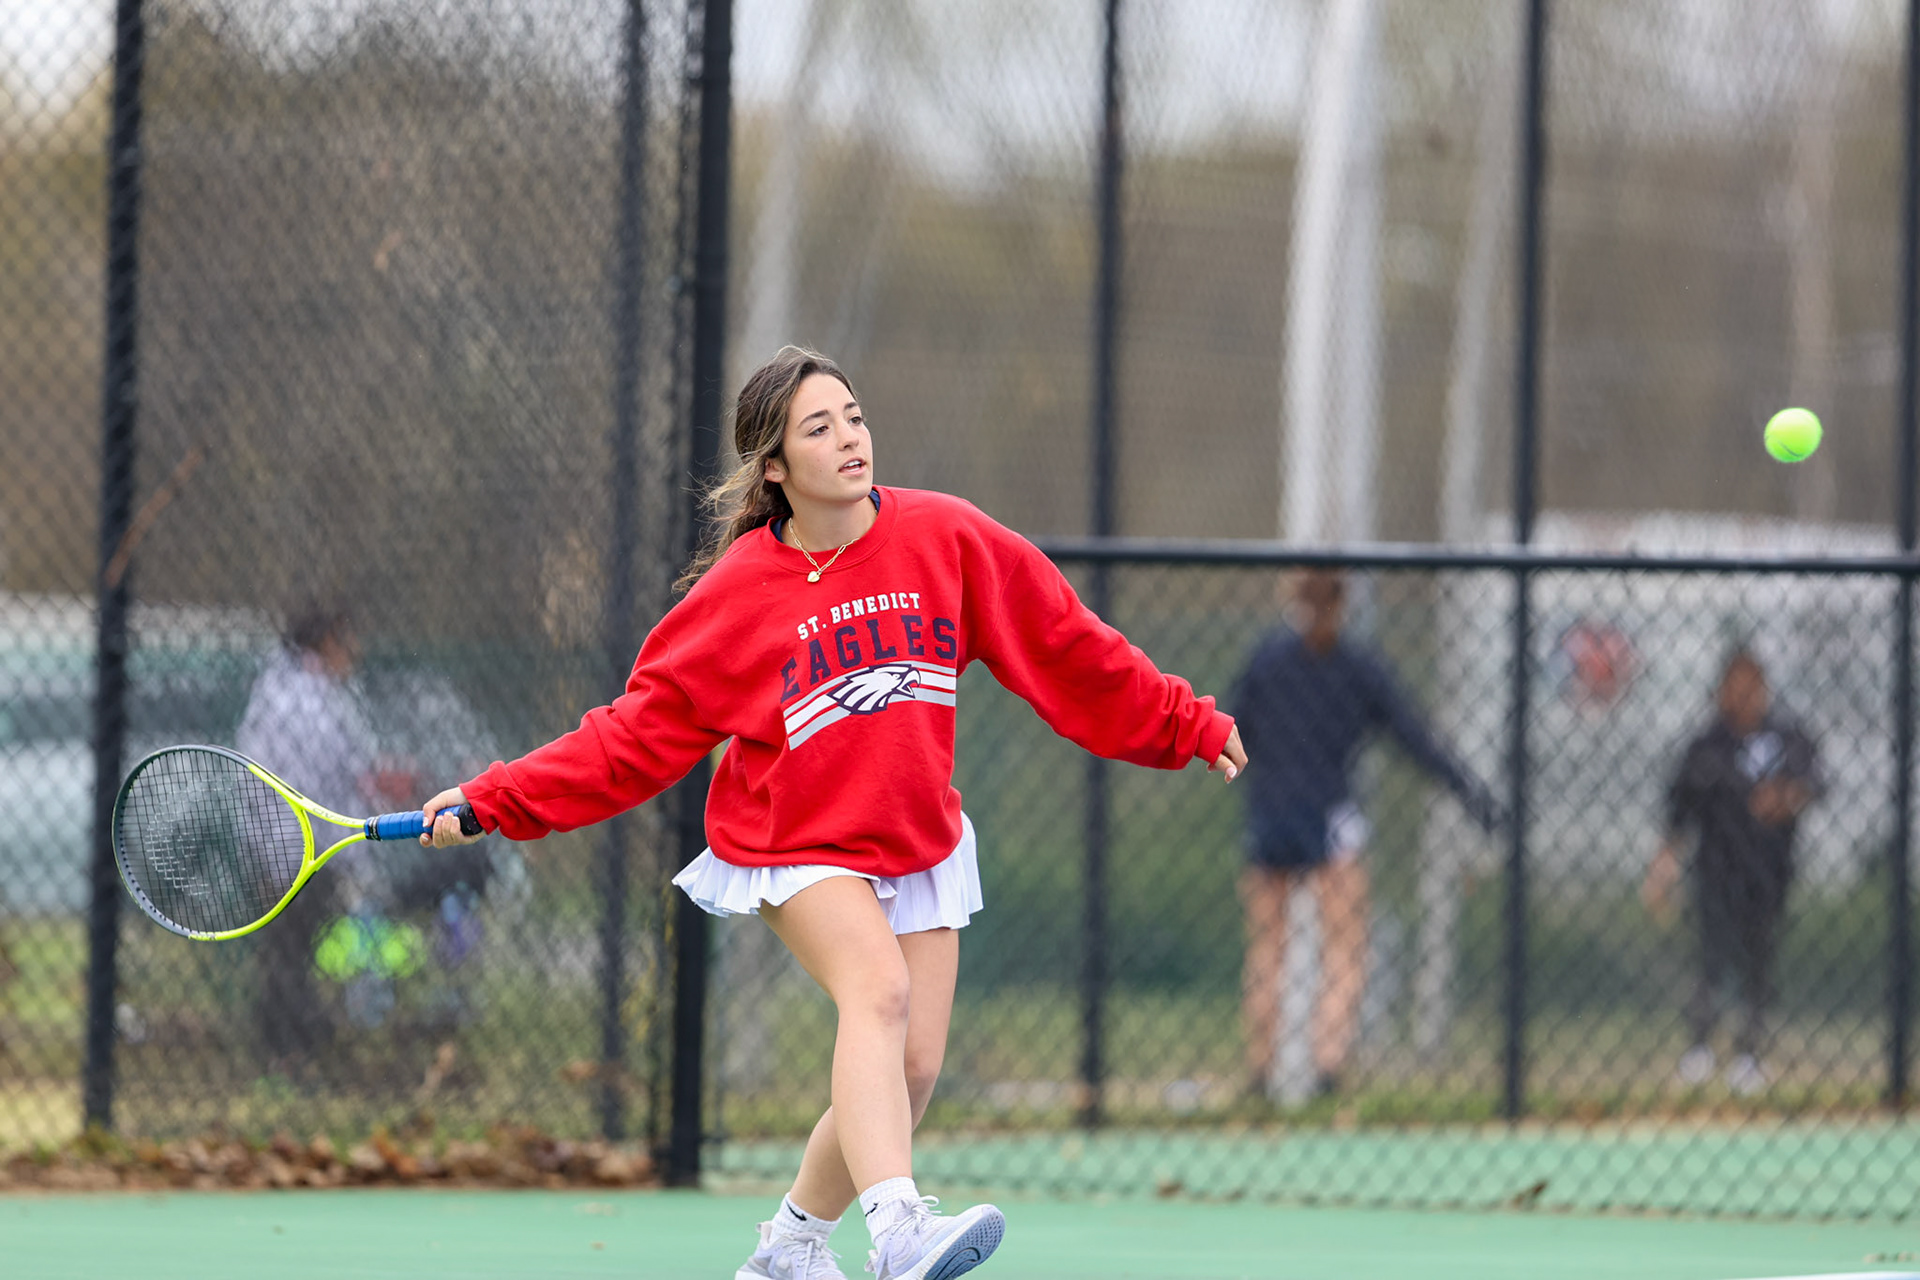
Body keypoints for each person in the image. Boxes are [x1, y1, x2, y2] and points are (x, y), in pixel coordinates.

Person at [414, 346, 1246, 1280]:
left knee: (913, 1069)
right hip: (792, 843)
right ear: (775, 467)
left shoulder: (949, 539)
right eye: (819, 428)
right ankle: (898, 1234)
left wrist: (1181, 721)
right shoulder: (735, 597)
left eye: (853, 415)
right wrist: (494, 799)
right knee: (877, 992)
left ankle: (790, 1248)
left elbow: (1064, 644)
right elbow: (628, 737)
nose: (849, 438)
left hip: (918, 841)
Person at [1230, 568, 1498, 1101]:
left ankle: (1261, 1074)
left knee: (1267, 950)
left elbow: (1232, 730)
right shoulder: (1356, 668)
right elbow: (1416, 737)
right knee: (1347, 947)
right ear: (1342, 602)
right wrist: (1472, 794)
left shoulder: (1266, 662)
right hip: (1329, 817)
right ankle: (1327, 1068)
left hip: (1270, 816)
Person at [1644, 646, 1820, 1096]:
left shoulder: (1787, 737)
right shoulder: (1706, 745)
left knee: (1758, 962)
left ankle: (1748, 1055)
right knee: (1709, 960)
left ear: (1763, 690)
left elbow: (1815, 783)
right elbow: (1678, 813)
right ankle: (1700, 1048)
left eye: (1750, 688)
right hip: (1714, 872)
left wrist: (1784, 797)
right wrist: (1662, 869)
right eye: (1733, 688)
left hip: (1769, 872)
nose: (1742, 697)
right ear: (1720, 692)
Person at [235, 606, 393, 1064]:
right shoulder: (303, 698)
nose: (356, 653)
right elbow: (322, 775)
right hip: (295, 849)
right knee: (288, 953)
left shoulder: (288, 691)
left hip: (292, 846)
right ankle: (287, 1049)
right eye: (348, 642)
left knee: (291, 951)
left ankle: (292, 1045)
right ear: (326, 644)